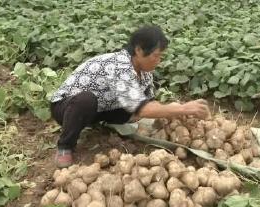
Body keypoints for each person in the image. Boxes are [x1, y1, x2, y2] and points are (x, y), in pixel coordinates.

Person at [50, 25, 210, 168]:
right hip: (66, 107)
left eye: (161, 56)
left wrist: (172, 110)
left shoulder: (145, 73)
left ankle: (96, 122)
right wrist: (183, 109)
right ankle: (65, 146)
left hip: (99, 109)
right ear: (139, 50)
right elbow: (142, 108)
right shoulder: (119, 65)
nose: (158, 61)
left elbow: (148, 102)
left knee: (129, 111)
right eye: (156, 55)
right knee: (86, 100)